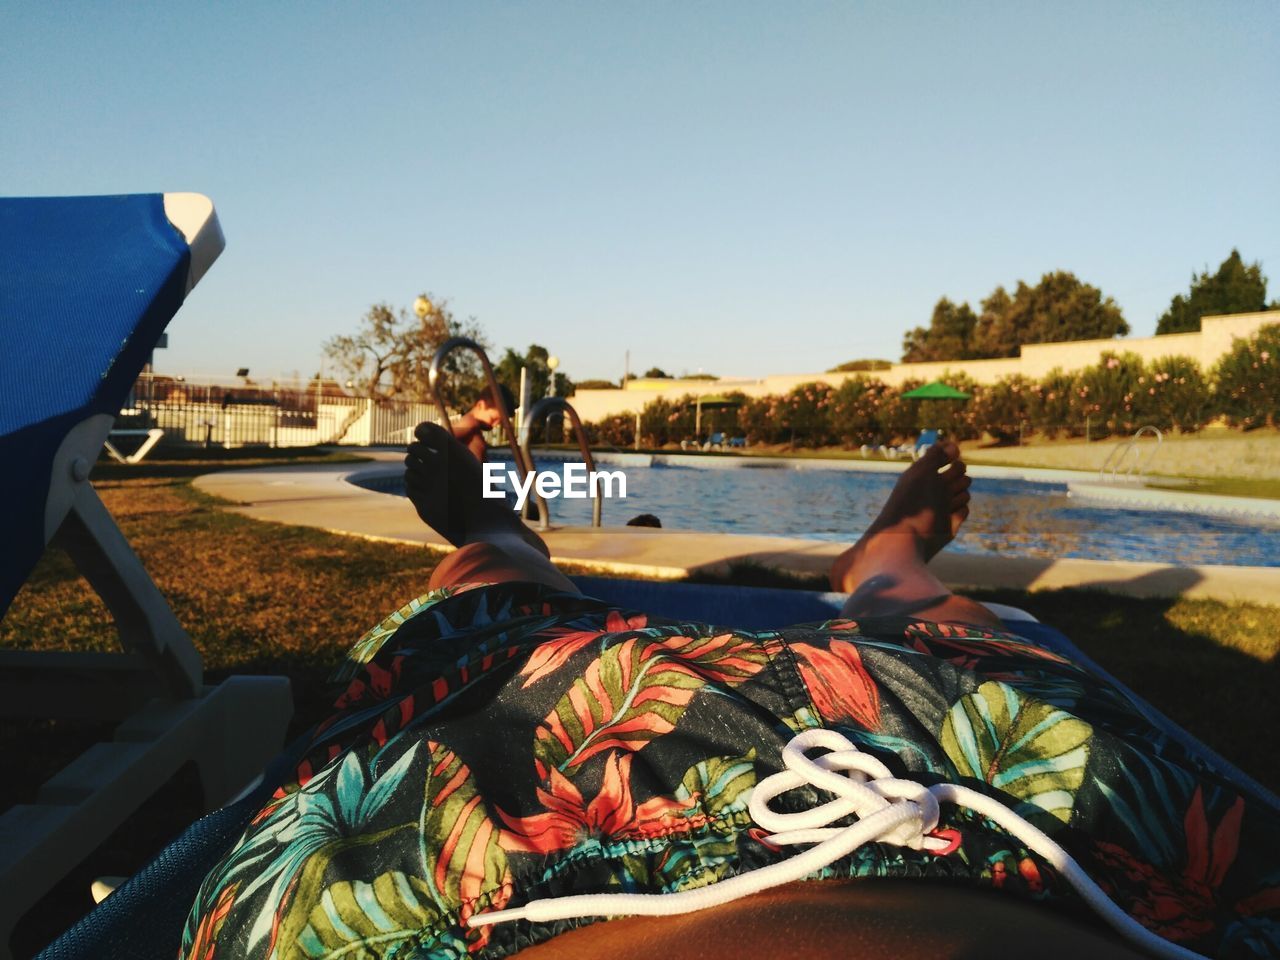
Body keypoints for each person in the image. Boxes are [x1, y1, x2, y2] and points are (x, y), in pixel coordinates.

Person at [181, 423, 1280, 960]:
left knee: (483, 620)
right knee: (941, 633)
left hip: (486, 818)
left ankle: (490, 537)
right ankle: (887, 556)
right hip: (1049, 815)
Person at [450, 382, 516, 462]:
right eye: (493, 419)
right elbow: (443, 437)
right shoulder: (469, 424)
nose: (495, 425)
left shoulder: (474, 430)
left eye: (500, 422)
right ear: (480, 405)